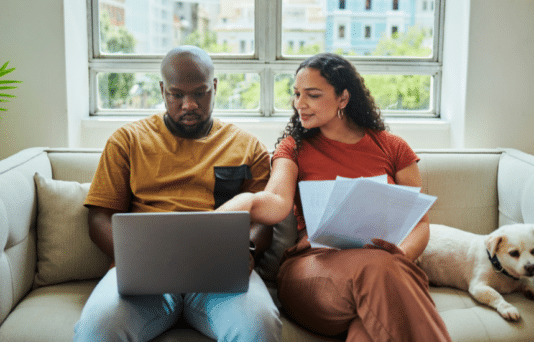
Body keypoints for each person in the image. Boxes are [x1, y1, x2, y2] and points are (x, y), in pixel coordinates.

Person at [216, 53, 452, 341]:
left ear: (343, 98)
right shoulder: (294, 148)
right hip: (313, 270)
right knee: (379, 270)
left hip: (382, 274)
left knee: (369, 323)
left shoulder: (393, 147)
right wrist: (242, 205)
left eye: (312, 95)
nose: (299, 104)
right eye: (297, 94)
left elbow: (419, 223)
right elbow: (276, 201)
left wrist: (399, 256)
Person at [74, 46, 282, 342]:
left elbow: (263, 221)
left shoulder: (247, 147)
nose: (189, 104)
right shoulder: (127, 141)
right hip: (145, 280)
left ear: (215, 87)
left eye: (200, 93)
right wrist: (140, 260)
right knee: (98, 329)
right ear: (162, 90)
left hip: (220, 279)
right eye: (177, 94)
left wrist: (245, 250)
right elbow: (99, 217)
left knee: (258, 326)